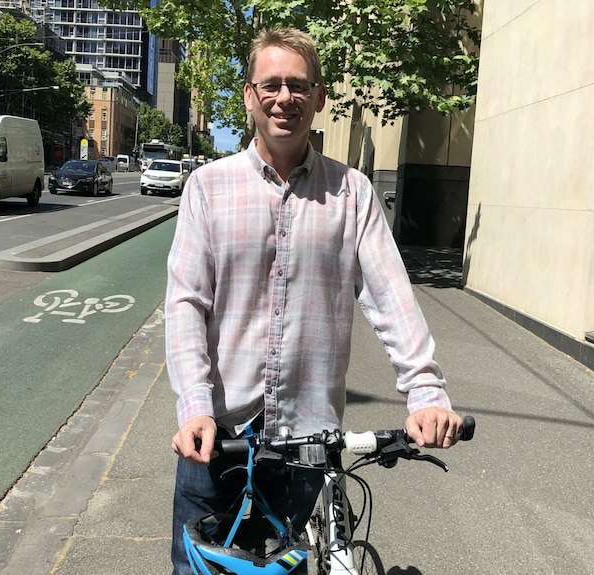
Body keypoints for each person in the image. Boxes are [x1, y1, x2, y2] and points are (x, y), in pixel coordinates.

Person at [165, 27, 464, 574]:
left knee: (292, 566)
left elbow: (391, 296)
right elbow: (186, 307)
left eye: (299, 85)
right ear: (250, 95)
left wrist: (425, 392)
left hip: (308, 435)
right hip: (218, 433)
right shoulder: (207, 187)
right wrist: (193, 406)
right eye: (272, 84)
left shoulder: (352, 194)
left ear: (320, 96)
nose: (286, 98)